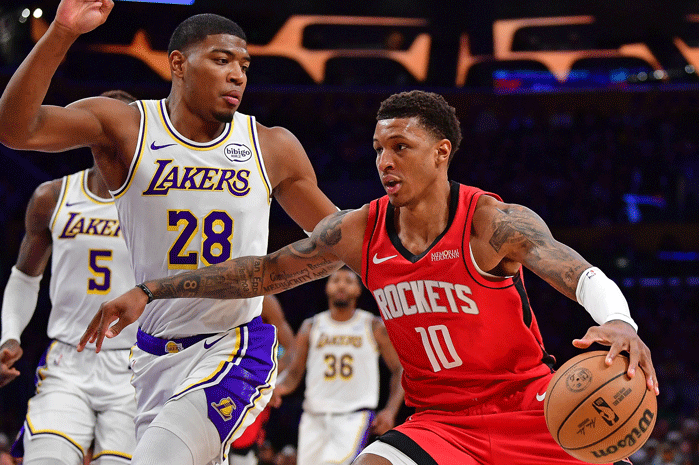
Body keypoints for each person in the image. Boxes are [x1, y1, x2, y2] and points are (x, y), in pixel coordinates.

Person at [82, 90, 659, 465]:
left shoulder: (490, 222)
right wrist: (153, 288)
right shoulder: (359, 231)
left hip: (531, 405)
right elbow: (265, 272)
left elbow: (571, 268)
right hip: (439, 422)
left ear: (441, 152)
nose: (384, 160)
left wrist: (619, 321)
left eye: (400, 147)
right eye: (378, 147)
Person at [0, 1, 339, 464]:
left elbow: (337, 243)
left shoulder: (270, 145)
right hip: (151, 357)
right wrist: (61, 31)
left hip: (233, 348)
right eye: (221, 60)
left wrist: (270, 275)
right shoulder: (127, 126)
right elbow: (16, 128)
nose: (237, 74)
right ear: (178, 64)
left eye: (244, 65)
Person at [0, 89, 138, 464]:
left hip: (137, 365)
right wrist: (9, 335)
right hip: (69, 360)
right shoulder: (52, 196)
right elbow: (25, 277)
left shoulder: (160, 202)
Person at [269, 267, 404, 465]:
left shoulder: (372, 325)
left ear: (359, 289)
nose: (341, 284)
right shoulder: (311, 326)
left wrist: (390, 410)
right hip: (313, 417)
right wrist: (276, 387)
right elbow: (294, 373)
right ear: (327, 288)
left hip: (353, 417)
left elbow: (400, 370)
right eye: (336, 280)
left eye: (348, 281)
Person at [229, 295, 297, 465]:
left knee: (241, 452)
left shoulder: (265, 301)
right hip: (207, 377)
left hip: (247, 386)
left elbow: (290, 349)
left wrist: (268, 380)